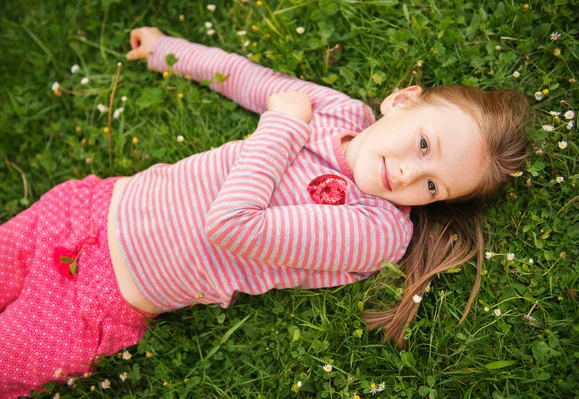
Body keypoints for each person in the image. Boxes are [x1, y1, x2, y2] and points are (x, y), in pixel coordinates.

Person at [0, 26, 532, 398]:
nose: (410, 177)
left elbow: (232, 226)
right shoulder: (339, 110)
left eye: (434, 186)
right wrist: (169, 51)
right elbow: (247, 79)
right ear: (402, 99)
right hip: (85, 209)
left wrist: (283, 126)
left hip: (102, 299)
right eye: (423, 144)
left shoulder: (375, 231)